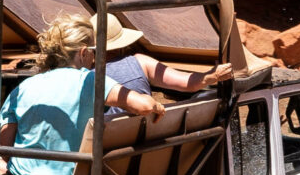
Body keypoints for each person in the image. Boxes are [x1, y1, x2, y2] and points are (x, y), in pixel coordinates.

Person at [0, 13, 163, 175]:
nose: (95, 59)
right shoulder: (89, 80)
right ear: (84, 53)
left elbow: (5, 148)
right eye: (94, 52)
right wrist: (155, 103)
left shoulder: (22, 88)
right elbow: (143, 106)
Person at [90, 12, 234, 116]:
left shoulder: (86, 76)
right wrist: (213, 75)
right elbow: (189, 84)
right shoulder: (140, 62)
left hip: (108, 145)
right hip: (145, 139)